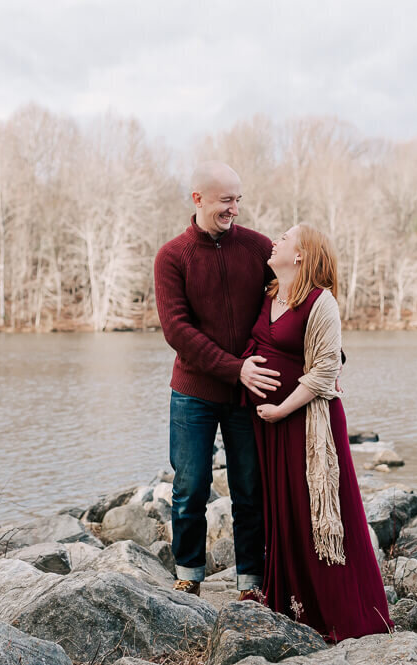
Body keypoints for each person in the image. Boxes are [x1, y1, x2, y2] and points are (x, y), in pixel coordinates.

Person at [245, 223, 393, 641]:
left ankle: (341, 615)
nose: (275, 241)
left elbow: (327, 369)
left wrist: (281, 408)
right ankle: (291, 602)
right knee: (284, 510)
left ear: (302, 255)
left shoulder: (320, 302)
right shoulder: (270, 294)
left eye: (286, 237)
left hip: (308, 423)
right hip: (270, 425)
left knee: (321, 515)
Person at [153, 161, 282, 598]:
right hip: (194, 393)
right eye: (227, 201)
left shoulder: (259, 248)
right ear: (198, 199)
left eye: (238, 199)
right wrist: (235, 368)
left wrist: (326, 355)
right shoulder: (172, 257)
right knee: (190, 488)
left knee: (250, 489)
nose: (235, 210)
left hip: (250, 394)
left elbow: (295, 300)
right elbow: (177, 331)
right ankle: (188, 576)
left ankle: (250, 583)